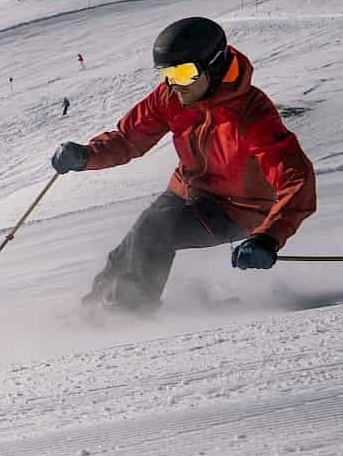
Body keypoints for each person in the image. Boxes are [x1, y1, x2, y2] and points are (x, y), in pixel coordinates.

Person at [50, 16, 316, 314]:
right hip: (188, 191)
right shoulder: (172, 96)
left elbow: (298, 180)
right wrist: (87, 155)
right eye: (168, 73)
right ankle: (95, 308)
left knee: (155, 232)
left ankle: (128, 314)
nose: (175, 84)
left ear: (214, 65)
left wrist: (268, 237)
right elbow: (129, 139)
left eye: (185, 73)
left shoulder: (252, 116)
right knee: (132, 245)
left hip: (240, 209)